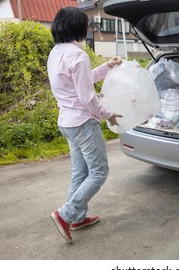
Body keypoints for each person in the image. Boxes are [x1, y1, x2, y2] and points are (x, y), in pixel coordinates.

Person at [47, 7, 122, 243]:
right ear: (78, 28)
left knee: (80, 172)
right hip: (82, 123)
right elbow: (87, 97)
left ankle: (77, 217)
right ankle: (66, 214)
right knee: (99, 172)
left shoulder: (56, 53)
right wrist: (108, 114)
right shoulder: (78, 55)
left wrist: (107, 66)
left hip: (67, 122)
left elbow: (82, 80)